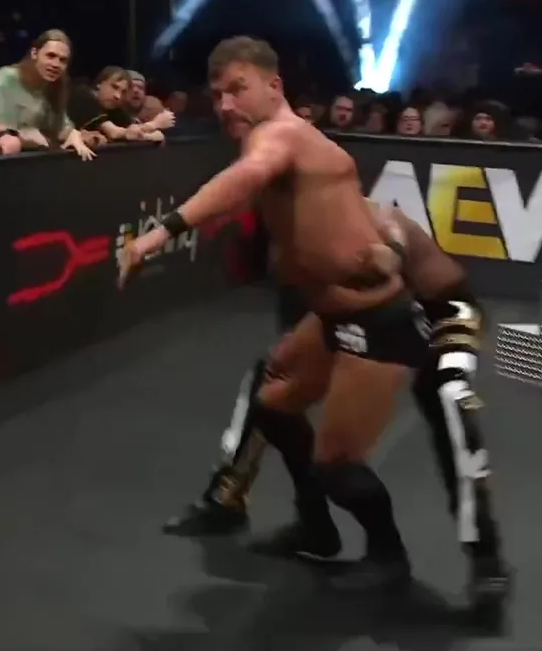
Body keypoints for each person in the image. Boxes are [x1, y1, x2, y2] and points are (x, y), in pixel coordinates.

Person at [119, 36, 431, 591]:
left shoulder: (278, 135)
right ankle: (315, 526)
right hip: (333, 313)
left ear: (274, 86)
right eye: (218, 95)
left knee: (336, 461)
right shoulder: (298, 141)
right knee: (274, 403)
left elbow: (245, 178)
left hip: (378, 316)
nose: (226, 105)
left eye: (238, 89)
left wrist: (156, 236)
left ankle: (390, 557)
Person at [164, 204, 512, 615]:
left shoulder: (356, 213)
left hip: (442, 312)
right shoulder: (292, 236)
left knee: (447, 393)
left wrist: (390, 255)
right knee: (273, 378)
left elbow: (391, 233)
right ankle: (291, 517)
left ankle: (486, 559)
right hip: (365, 315)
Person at [0, 29, 96, 160]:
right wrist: (12, 132)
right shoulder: (7, 76)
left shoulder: (54, 88)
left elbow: (61, 127)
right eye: (50, 56)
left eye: (62, 60)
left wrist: (74, 135)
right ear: (34, 53)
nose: (56, 64)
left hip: (26, 158)